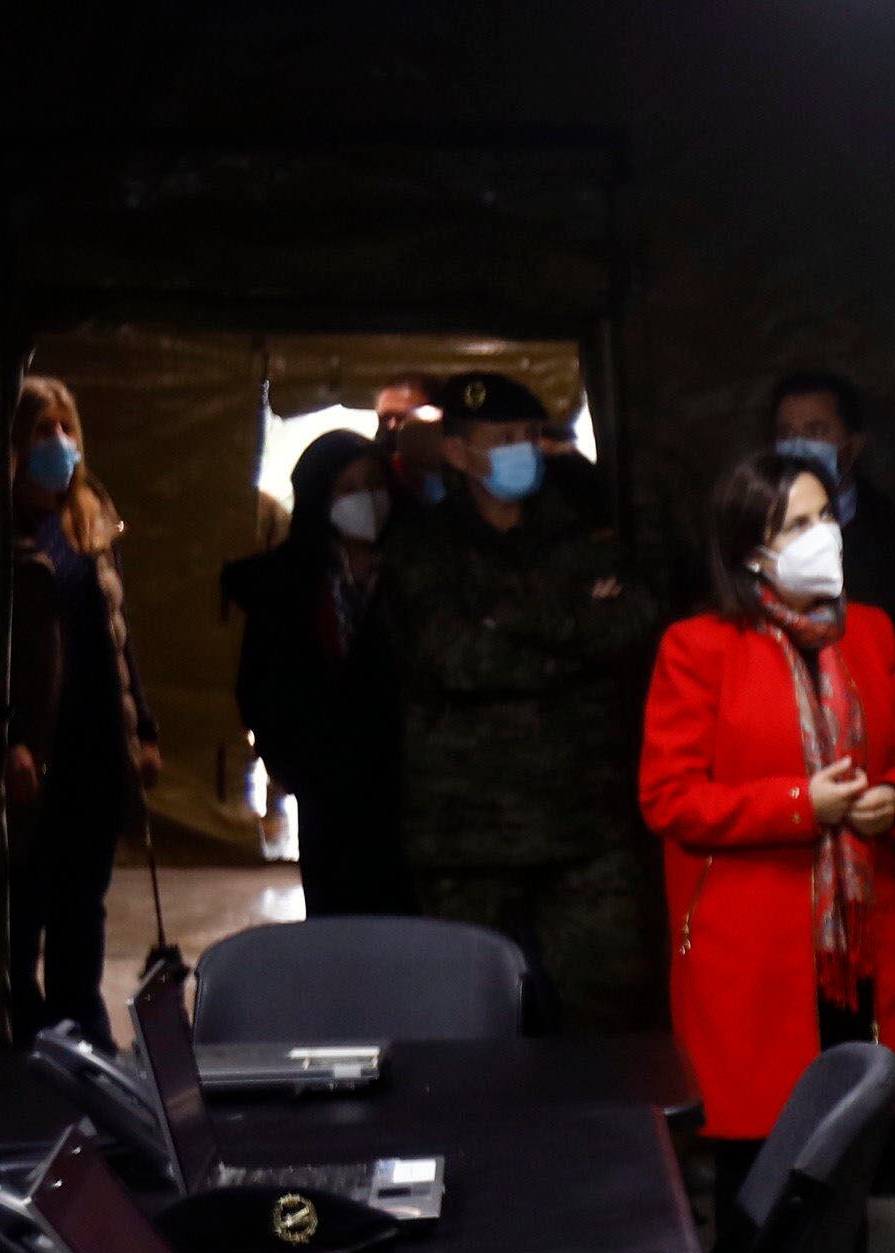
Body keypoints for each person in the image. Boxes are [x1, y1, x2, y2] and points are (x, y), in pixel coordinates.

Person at [642, 448, 895, 1253]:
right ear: (751, 551)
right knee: (761, 1163)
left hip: (855, 944)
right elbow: (671, 798)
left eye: (826, 513)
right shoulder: (698, 647)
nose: (823, 536)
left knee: (846, 1153)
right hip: (752, 949)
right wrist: (801, 803)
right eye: (796, 524)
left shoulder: (874, 634)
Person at [379, 370, 661, 1034]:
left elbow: (632, 624)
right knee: (467, 1019)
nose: (521, 450)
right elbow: (454, 658)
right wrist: (572, 624)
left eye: (529, 436)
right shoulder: (421, 545)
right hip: (466, 835)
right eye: (502, 438)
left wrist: (506, 621)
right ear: (457, 452)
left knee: (607, 1013)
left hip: (583, 829)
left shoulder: (581, 529)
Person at [0, 378, 161, 1047]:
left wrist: (141, 729)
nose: (59, 444)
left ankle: (81, 1031)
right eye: (42, 430)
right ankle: (20, 1029)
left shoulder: (90, 516)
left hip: (93, 746)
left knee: (81, 906)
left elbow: (116, 637)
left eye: (68, 428)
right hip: (33, 749)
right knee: (21, 905)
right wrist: (9, 741)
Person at [222, 428, 411, 916]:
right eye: (348, 490)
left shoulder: (416, 569)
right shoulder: (290, 583)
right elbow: (260, 684)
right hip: (329, 799)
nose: (365, 500)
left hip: (412, 794)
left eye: (373, 484)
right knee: (339, 927)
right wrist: (293, 767)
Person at [764, 367, 895, 635]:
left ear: (855, 443)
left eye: (816, 432)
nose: (799, 447)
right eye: (787, 434)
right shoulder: (750, 534)